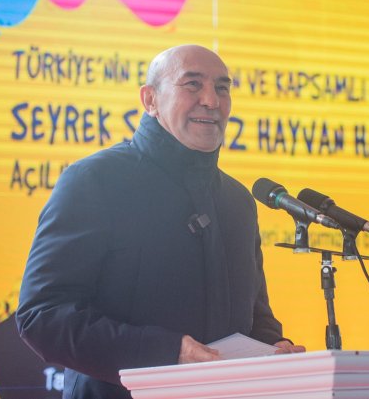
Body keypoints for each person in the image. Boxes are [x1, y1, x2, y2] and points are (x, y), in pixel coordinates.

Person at [16, 45, 305, 399]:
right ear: (150, 99)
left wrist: (274, 345)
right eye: (192, 84)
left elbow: (255, 315)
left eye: (222, 88)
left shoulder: (238, 201)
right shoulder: (95, 181)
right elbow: (42, 316)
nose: (211, 101)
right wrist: (168, 352)